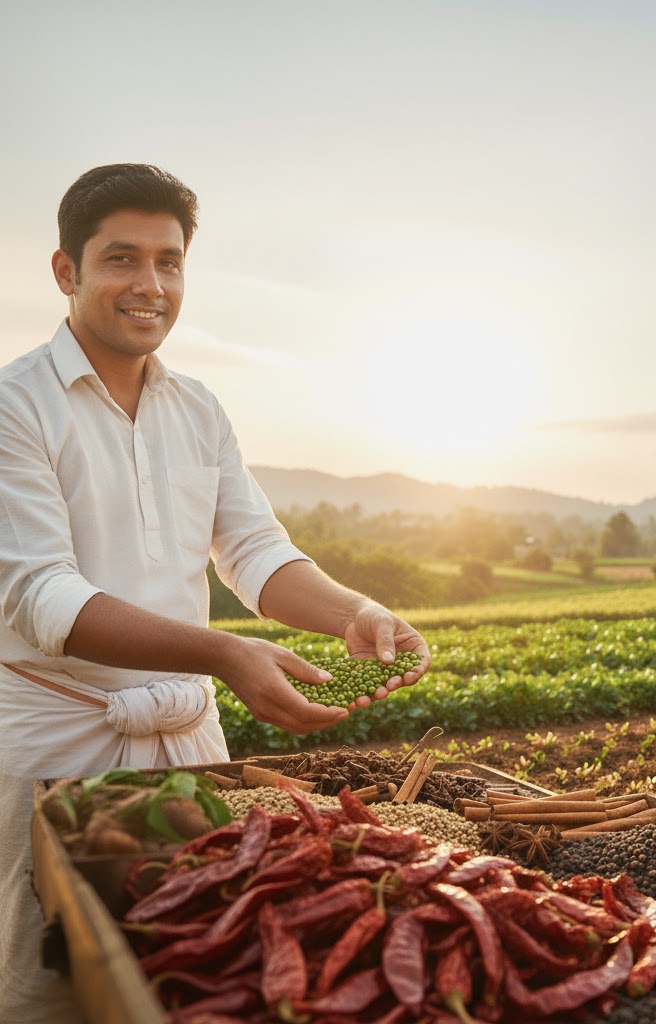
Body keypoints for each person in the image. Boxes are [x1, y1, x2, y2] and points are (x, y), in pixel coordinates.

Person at [0, 163, 431, 1023]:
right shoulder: (17, 405)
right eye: (121, 259)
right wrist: (223, 654)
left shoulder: (198, 409)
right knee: (52, 980)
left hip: (191, 748)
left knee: (195, 969)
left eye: (169, 261)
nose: (149, 285)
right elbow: (41, 596)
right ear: (65, 271)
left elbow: (256, 552)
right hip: (56, 747)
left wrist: (358, 613)